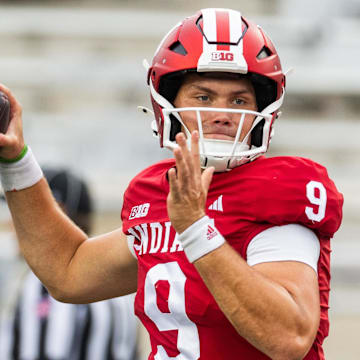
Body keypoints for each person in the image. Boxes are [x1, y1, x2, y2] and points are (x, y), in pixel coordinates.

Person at [0, 8, 343, 360]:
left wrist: (195, 227)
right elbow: (68, 271)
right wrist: (15, 160)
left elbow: (289, 337)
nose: (223, 114)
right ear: (167, 103)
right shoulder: (158, 190)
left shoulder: (279, 187)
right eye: (203, 97)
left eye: (239, 100)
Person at [0, 168, 138, 360]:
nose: (11, 223)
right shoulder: (118, 282)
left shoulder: (47, 284)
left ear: (52, 214)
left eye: (20, 211)